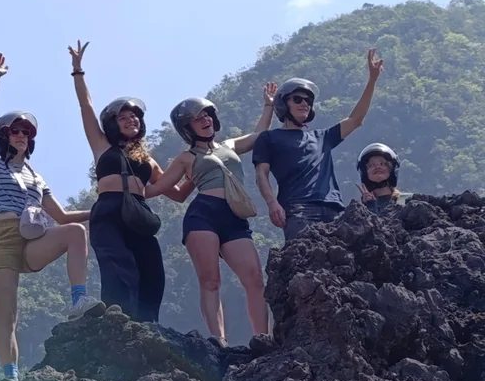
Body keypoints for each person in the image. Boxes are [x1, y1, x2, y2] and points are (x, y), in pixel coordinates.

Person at [0, 53, 100, 381]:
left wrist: (102, 209)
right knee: (8, 315)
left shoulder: (35, 175)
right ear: (4, 135)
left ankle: (78, 300)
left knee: (76, 233)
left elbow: (62, 217)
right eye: (14, 130)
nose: (20, 135)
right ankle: (10, 375)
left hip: (30, 238)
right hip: (0, 237)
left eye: (25, 132)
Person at [143, 87, 277, 345]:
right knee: (210, 280)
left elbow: (259, 135)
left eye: (207, 115)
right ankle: (219, 340)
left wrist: (268, 106)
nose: (205, 120)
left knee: (254, 278)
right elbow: (161, 189)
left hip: (234, 217)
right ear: (187, 127)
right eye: (197, 118)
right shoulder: (186, 158)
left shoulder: (229, 145)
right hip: (203, 215)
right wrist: (132, 181)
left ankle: (263, 338)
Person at [69, 41, 188, 323]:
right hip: (109, 210)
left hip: (139, 211)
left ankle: (148, 329)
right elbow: (86, 106)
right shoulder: (101, 145)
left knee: (151, 271)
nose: (130, 119)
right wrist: (78, 70)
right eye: (123, 117)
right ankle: (117, 324)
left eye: (134, 116)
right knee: (119, 267)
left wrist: (196, 169)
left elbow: (177, 193)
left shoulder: (147, 159)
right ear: (113, 124)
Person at [254, 49, 384, 240]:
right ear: (283, 104)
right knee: (305, 264)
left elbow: (355, 119)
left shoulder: (322, 137)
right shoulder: (269, 138)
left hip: (334, 211)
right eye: (297, 99)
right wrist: (272, 203)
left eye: (308, 100)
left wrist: (372, 79)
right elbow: (261, 174)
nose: (304, 104)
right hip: (298, 211)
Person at [355, 142, 409, 214]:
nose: (377, 167)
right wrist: (369, 206)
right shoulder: (358, 212)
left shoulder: (407, 202)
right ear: (365, 172)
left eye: (383, 164)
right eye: (371, 165)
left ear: (392, 169)